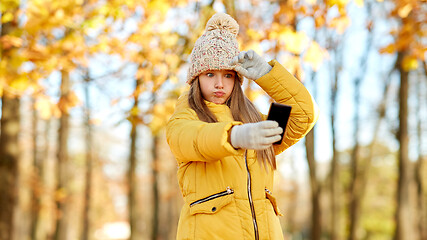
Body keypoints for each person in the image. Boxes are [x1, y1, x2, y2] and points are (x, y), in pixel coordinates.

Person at [166, 13, 319, 240]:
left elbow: (303, 115)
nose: (219, 84)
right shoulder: (185, 118)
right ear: (196, 78)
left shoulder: (256, 123)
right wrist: (234, 136)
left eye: (228, 75)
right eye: (210, 74)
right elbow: (193, 139)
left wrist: (267, 74)